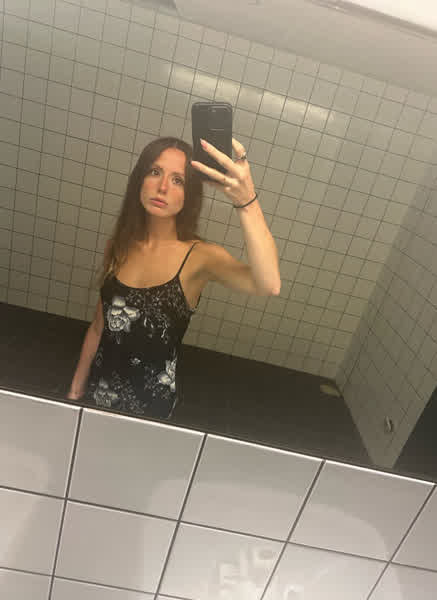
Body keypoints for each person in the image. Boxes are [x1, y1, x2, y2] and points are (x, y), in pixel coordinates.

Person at [67, 135, 281, 419]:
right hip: (98, 394)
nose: (163, 187)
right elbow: (98, 327)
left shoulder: (200, 257)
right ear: (140, 180)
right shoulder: (119, 244)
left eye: (178, 180)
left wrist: (247, 201)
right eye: (155, 172)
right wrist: (75, 393)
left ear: (189, 194)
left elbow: (269, 284)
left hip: (150, 411)